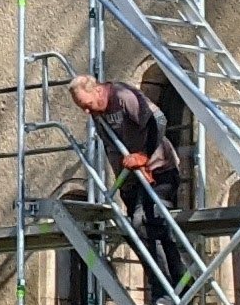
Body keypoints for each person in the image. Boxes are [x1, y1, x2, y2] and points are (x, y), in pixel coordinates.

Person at [69, 72, 189, 267]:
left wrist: (144, 155)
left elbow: (158, 120)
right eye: (81, 107)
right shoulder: (97, 115)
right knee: (136, 233)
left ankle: (171, 285)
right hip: (131, 181)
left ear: (98, 90)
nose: (86, 112)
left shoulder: (122, 96)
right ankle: (171, 283)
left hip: (158, 171)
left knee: (146, 223)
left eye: (86, 104)